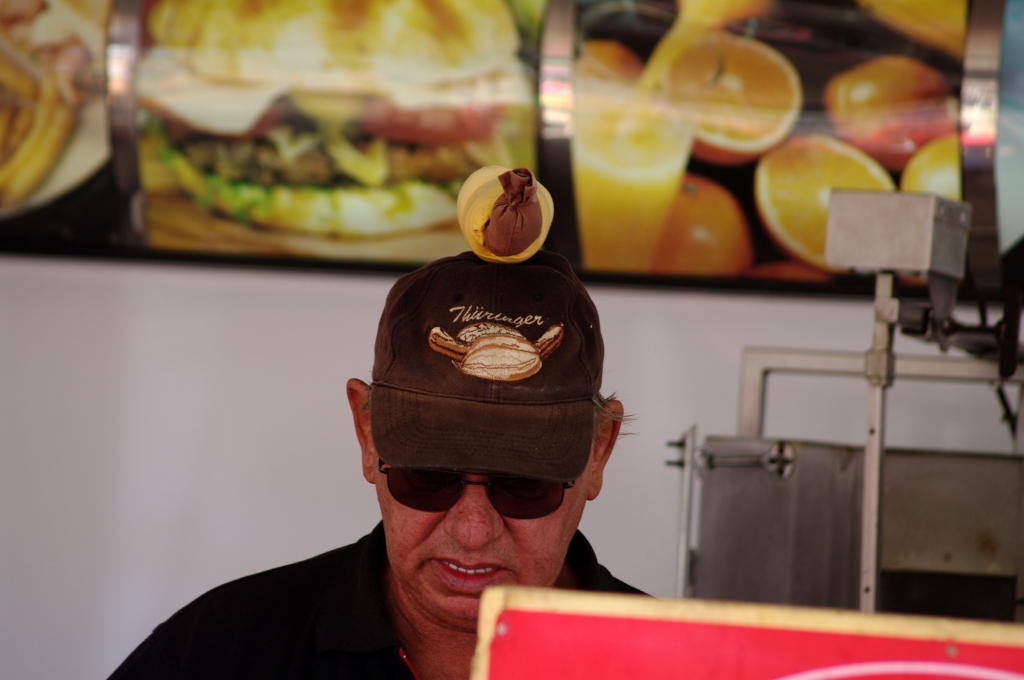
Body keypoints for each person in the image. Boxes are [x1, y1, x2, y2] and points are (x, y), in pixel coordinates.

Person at [108, 167, 641, 680]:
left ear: (599, 451)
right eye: (427, 476)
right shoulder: (218, 651)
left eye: (525, 484)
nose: (472, 530)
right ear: (367, 435)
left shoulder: (672, 664)